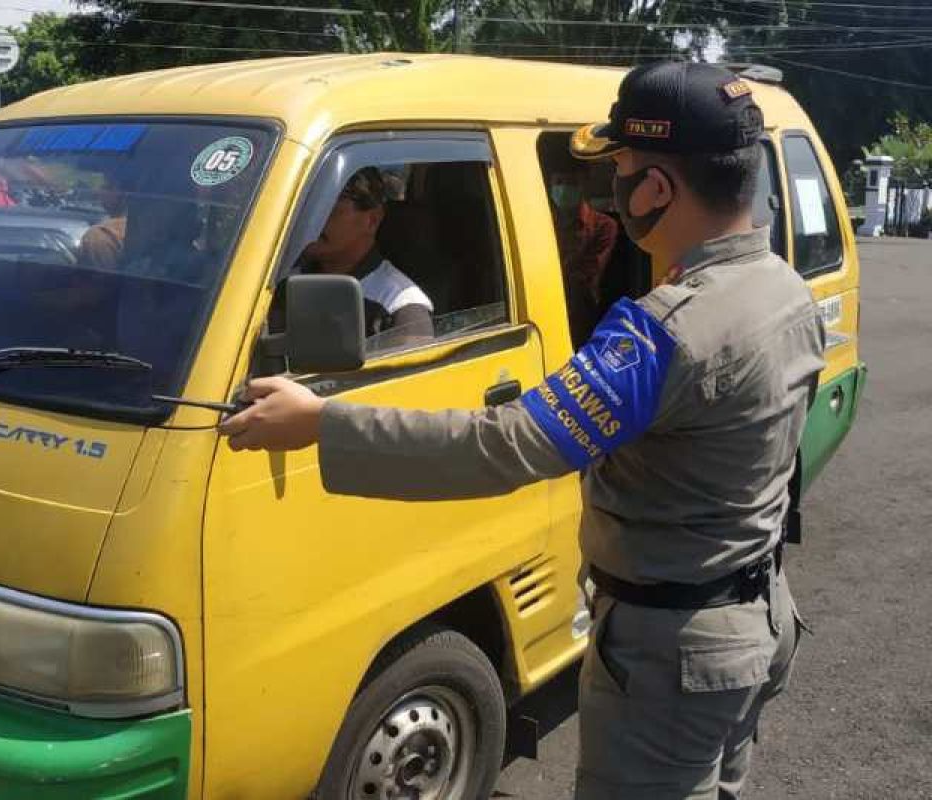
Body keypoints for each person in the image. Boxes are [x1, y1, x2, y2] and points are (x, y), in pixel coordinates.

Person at [218, 61, 825, 800]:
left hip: (673, 655)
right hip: (757, 620)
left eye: (621, 172)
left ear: (657, 189)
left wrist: (321, 423)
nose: (612, 192)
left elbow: (505, 445)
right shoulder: (784, 290)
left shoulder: (666, 330)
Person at [294, 167, 434, 348]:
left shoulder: (400, 308)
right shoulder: (277, 281)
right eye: (307, 208)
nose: (312, 220)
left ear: (372, 220)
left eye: (329, 209)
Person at [547, 159, 619, 344]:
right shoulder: (542, 221)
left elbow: (586, 277)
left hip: (579, 314)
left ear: (584, 186)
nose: (563, 189)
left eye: (571, 183)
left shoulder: (603, 226)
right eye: (559, 183)